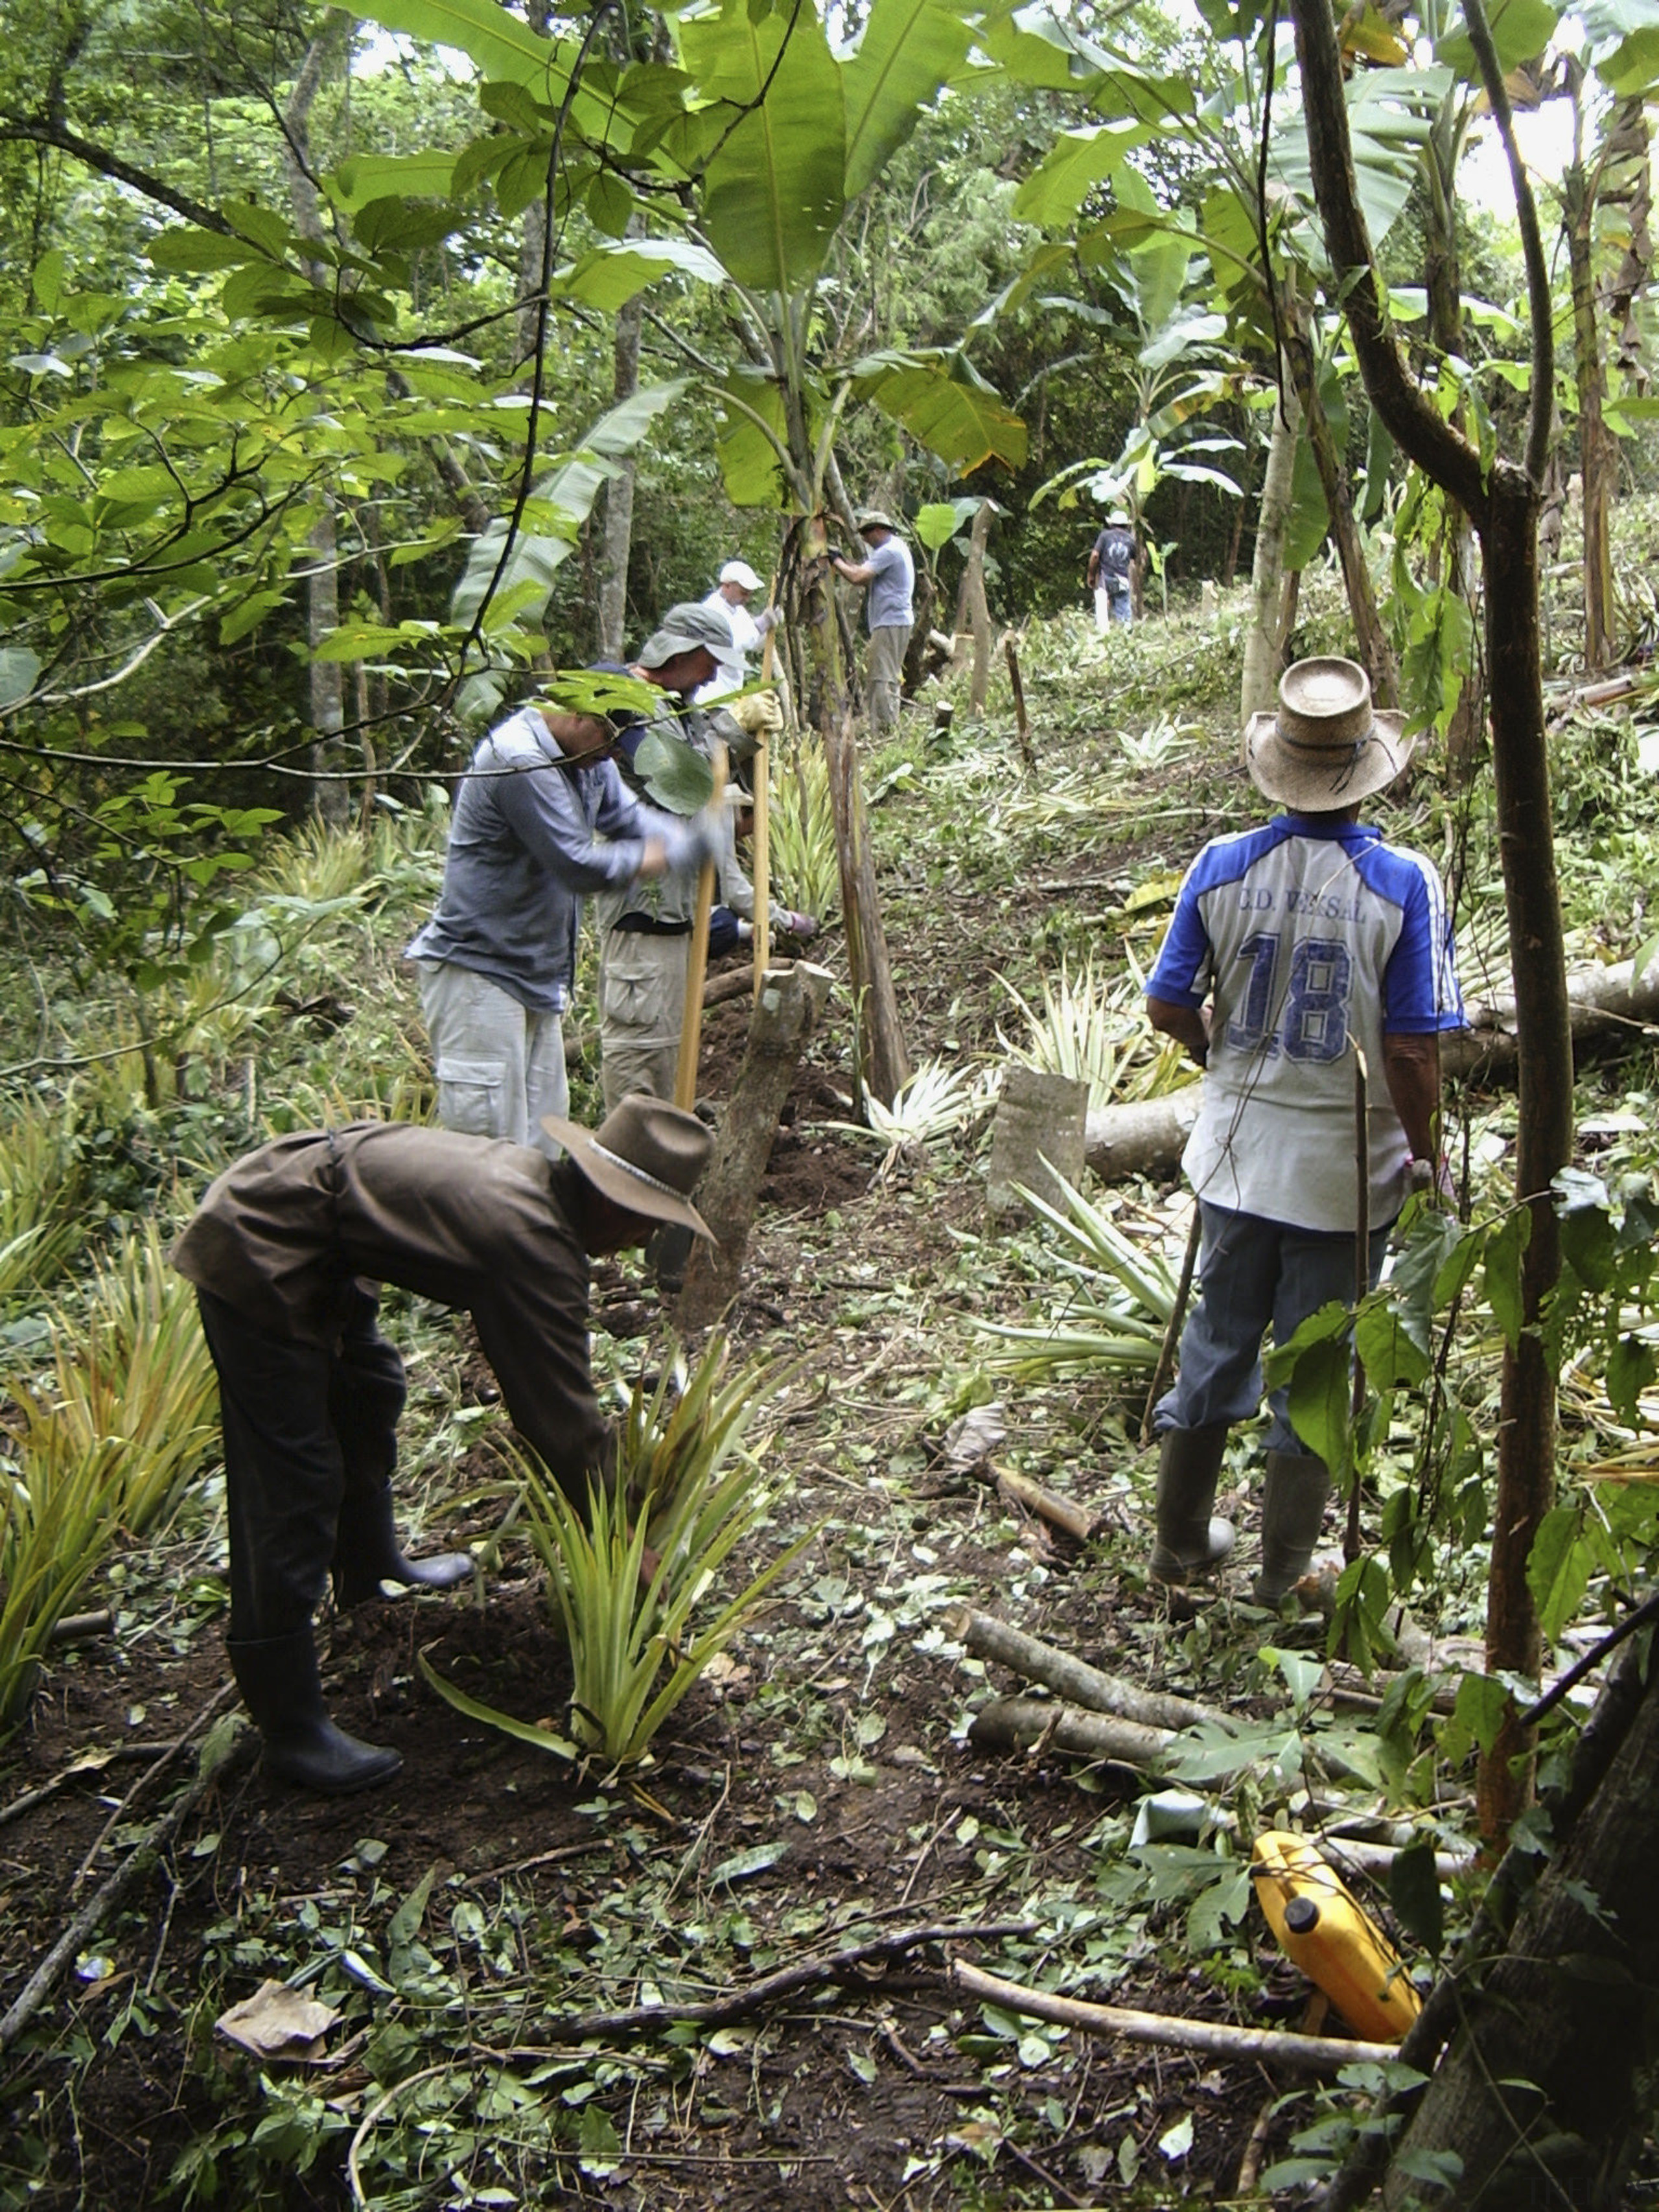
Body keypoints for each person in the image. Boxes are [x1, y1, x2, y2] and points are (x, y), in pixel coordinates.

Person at [171, 1097, 715, 1794]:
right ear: (614, 1201)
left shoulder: (535, 1186)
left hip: (322, 1234)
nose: (643, 1239)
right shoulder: (531, 1241)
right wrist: (623, 1531)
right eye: (647, 1219)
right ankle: (290, 1726)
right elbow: (561, 1418)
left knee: (369, 1390)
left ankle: (369, 1566)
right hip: (261, 1241)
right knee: (292, 1481)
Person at [1142, 657, 1464, 1605]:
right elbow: (1409, 1051)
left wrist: (1226, 1061)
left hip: (1239, 1158)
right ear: (1367, 767)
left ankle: (1178, 1545)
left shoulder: (1221, 865)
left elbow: (1167, 1005)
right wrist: (1427, 1155)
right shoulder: (1403, 883)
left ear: (1279, 765)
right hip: (1341, 1175)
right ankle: (1283, 1572)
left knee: (1217, 1340)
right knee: (1318, 1367)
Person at [405, 700, 725, 1156]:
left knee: (543, 1145)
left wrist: (686, 837)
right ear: (581, 716)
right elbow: (577, 864)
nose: (614, 758)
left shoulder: (589, 756)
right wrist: (672, 855)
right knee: (487, 1151)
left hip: (535, 979)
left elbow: (627, 819)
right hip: (479, 978)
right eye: (610, 745)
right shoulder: (518, 760)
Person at [594, 603, 814, 1117]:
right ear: (683, 651)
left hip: (675, 920)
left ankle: (663, 1170)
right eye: (710, 661)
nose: (715, 673)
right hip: (641, 923)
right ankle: (626, 1186)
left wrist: (737, 739)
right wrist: (732, 729)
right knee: (640, 1073)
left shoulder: (680, 708)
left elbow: (703, 777)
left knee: (668, 1063)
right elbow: (674, 783)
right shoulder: (624, 705)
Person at [830, 509, 914, 737]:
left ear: (877, 530)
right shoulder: (896, 548)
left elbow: (858, 577)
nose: (865, 539)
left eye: (866, 534)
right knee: (888, 677)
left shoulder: (890, 550)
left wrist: (836, 561)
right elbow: (861, 571)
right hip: (896, 622)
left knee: (881, 678)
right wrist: (843, 560)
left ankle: (884, 733)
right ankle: (890, 729)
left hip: (891, 622)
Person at [697, 559, 780, 702]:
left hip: (730, 694)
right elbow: (731, 646)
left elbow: (754, 645)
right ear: (727, 586)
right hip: (711, 697)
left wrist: (769, 627)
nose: (746, 598)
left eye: (749, 594)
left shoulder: (739, 611)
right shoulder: (711, 610)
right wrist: (760, 625)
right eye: (743, 593)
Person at [1088, 508, 1138, 630]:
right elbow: (1133, 560)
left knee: (1102, 617)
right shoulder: (1130, 540)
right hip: (1122, 580)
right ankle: (1126, 637)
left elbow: (1095, 556)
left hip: (1106, 579)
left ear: (1111, 524)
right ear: (1126, 525)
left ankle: (1103, 635)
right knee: (1124, 619)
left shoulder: (1105, 536)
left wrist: (1091, 575)